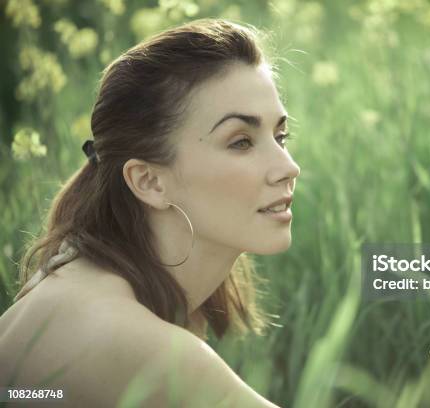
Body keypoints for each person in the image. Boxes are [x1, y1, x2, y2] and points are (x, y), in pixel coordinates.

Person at [0, 18, 299, 407]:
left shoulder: (74, 276)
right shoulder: (142, 348)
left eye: (280, 137)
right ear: (149, 182)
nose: (289, 167)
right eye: (241, 142)